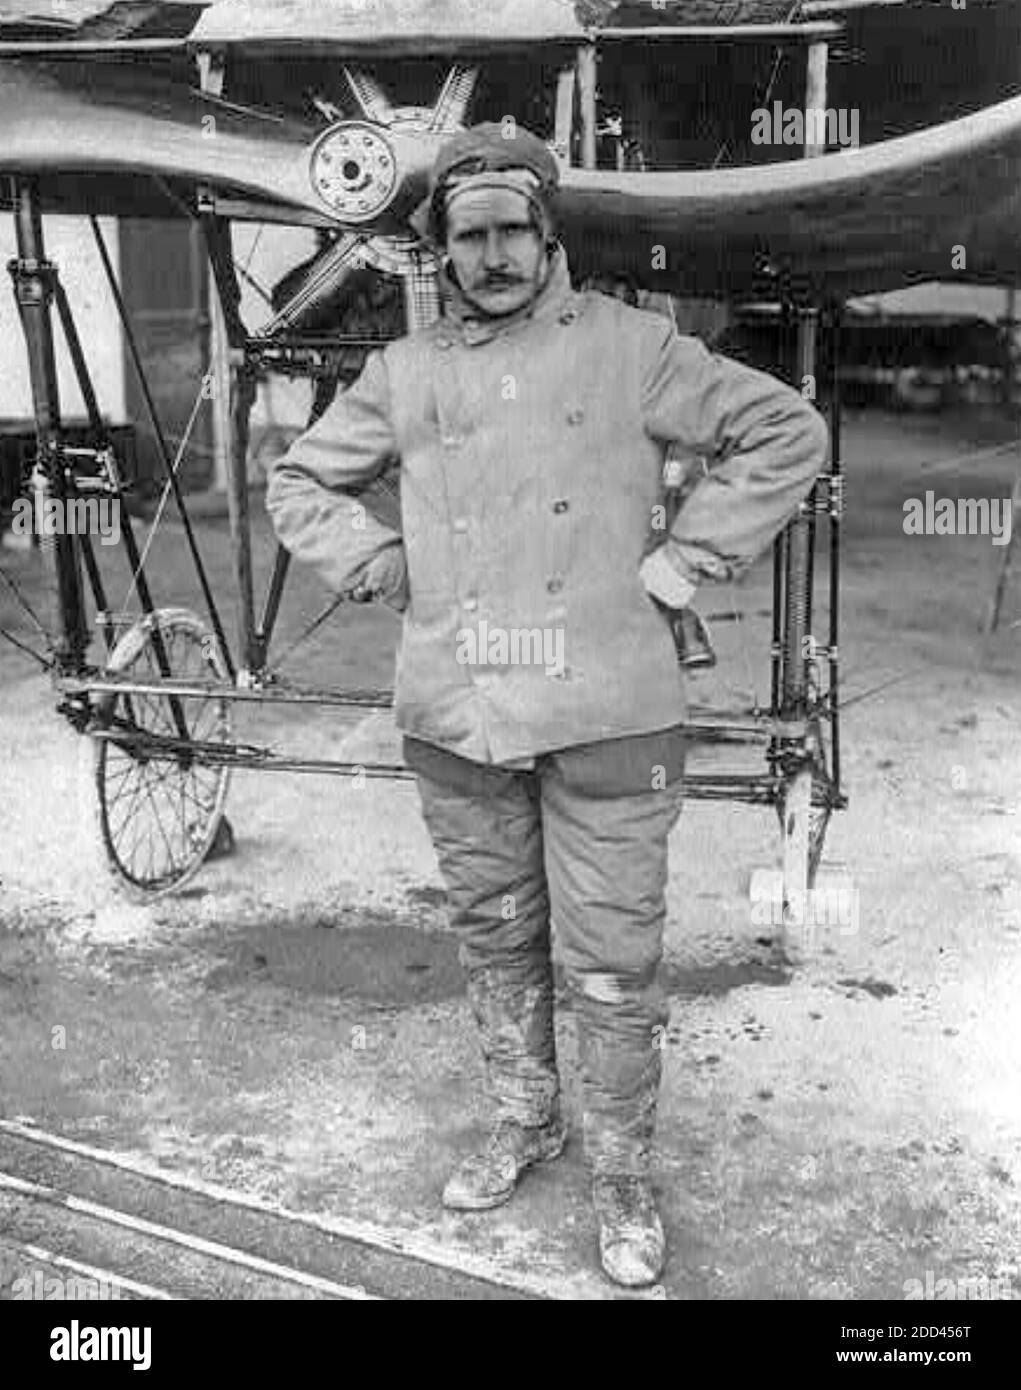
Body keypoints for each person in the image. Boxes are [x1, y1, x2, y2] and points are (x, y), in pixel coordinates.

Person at [265, 121, 828, 1288]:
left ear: (548, 232)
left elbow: (785, 430)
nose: (495, 254)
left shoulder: (633, 347)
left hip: (612, 711)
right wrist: (381, 564)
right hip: (459, 715)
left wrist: (684, 565)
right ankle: (527, 1117)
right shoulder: (404, 372)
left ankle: (622, 1168)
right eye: (469, 236)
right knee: (497, 937)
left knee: (614, 959)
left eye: (514, 229)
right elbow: (297, 479)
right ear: (441, 249)